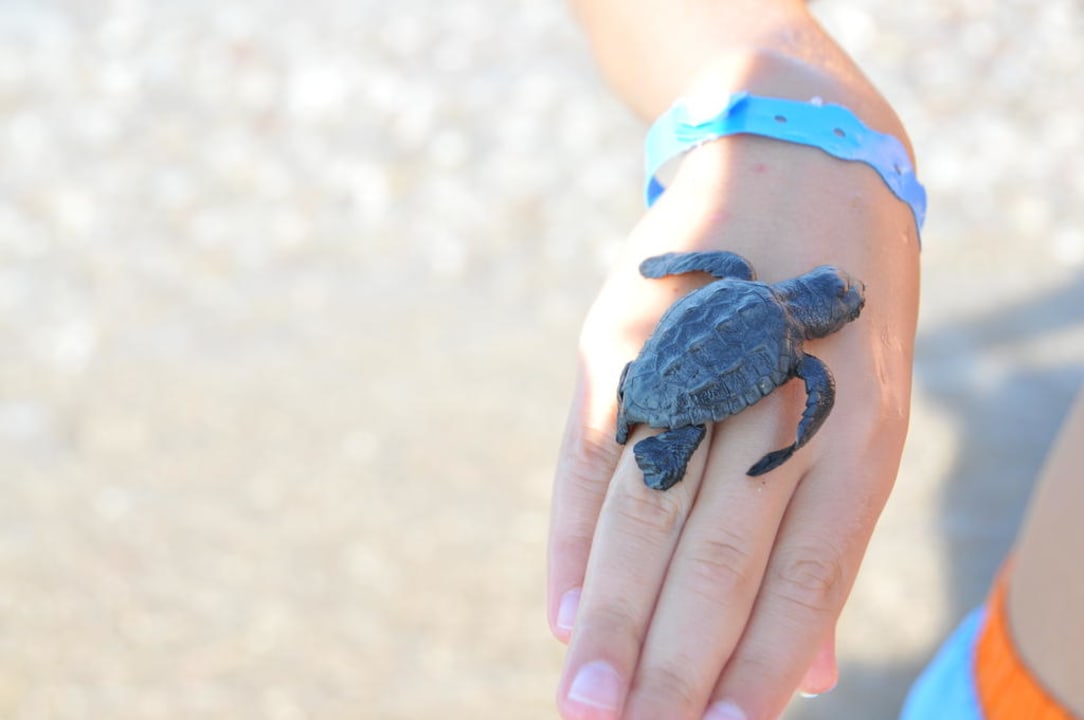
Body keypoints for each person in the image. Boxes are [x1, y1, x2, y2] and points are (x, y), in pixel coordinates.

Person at [543, 1, 1083, 718]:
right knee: (687, 437)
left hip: (1023, 672)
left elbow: (707, 275)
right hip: (1010, 681)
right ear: (823, 320)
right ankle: (662, 444)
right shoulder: (800, 358)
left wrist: (670, 273)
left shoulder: (740, 279)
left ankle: (657, 431)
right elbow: (808, 405)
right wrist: (809, 115)